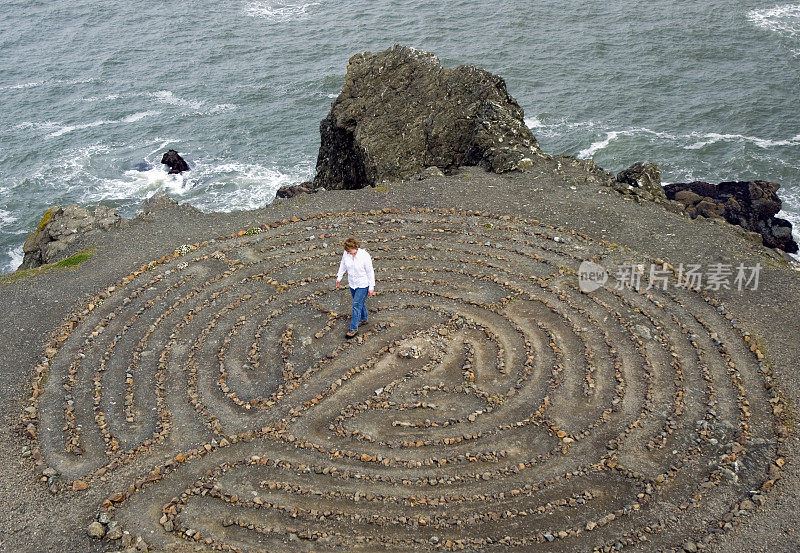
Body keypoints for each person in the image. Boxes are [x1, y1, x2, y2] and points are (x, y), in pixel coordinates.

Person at [336, 237, 375, 338]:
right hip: (352, 283)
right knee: (359, 302)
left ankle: (353, 329)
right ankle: (364, 318)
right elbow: (343, 265)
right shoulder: (346, 253)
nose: (348, 253)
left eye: (350, 251)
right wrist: (339, 277)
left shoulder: (364, 256)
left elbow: (370, 271)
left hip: (363, 284)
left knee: (356, 305)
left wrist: (371, 286)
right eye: (347, 251)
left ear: (355, 247)